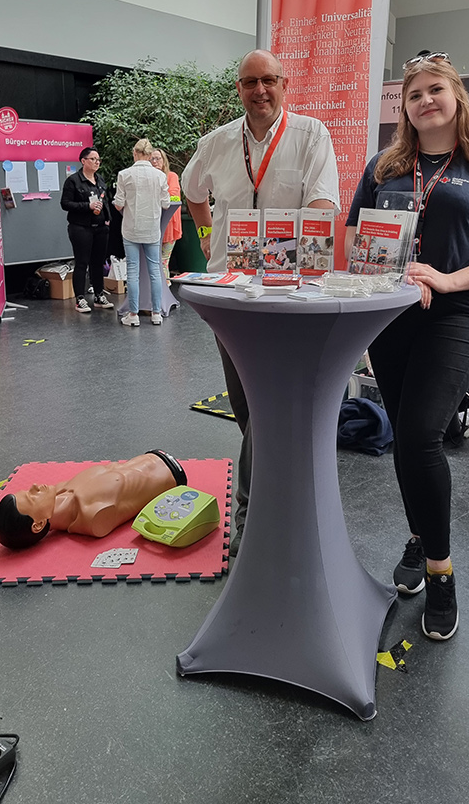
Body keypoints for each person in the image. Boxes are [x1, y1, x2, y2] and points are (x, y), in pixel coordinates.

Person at [345, 52, 469, 641]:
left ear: (457, 97)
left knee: (423, 433)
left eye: (435, 91)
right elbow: (354, 237)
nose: (424, 101)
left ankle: (441, 570)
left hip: (456, 313)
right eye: (414, 94)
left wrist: (445, 279)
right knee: (404, 437)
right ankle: (422, 534)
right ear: (404, 107)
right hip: (392, 315)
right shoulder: (385, 165)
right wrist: (390, 276)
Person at [181, 49, 340, 554]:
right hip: (231, 294)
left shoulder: (311, 135)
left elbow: (322, 205)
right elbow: (191, 190)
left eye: (268, 80)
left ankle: (252, 513)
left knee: (277, 400)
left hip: (289, 291)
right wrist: (209, 231)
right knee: (247, 402)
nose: (260, 91)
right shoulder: (217, 142)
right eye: (250, 83)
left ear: (284, 83)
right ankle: (273, 496)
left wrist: (280, 250)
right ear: (239, 89)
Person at [0, 451, 188, 548]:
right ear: (38, 524)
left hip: (152, 455)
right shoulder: (92, 517)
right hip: (172, 475)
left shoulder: (62, 489)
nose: (34, 486)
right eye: (32, 497)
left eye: (28, 490)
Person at [114, 138, 171, 326]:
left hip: (131, 229)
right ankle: (156, 313)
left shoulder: (124, 174)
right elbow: (166, 203)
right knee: (155, 270)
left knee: (133, 271)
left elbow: (119, 203)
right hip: (152, 229)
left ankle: (133, 315)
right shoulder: (160, 176)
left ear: (135, 153)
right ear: (149, 154)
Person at [60, 147, 114, 313]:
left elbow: (105, 200)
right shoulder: (74, 181)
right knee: (82, 262)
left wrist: (107, 218)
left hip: (100, 227)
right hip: (80, 227)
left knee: (98, 263)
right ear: (83, 161)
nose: (96, 162)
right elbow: (65, 204)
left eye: (98, 159)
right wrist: (87, 206)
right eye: (93, 159)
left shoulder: (100, 180)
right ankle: (80, 298)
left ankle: (99, 295)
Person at [149, 147, 182, 284]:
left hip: (169, 225)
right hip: (150, 225)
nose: (155, 161)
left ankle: (164, 289)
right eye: (152, 159)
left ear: (164, 161)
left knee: (163, 260)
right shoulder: (147, 178)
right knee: (151, 260)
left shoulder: (171, 176)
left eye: (158, 158)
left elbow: (173, 196)